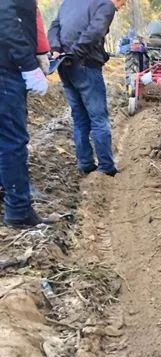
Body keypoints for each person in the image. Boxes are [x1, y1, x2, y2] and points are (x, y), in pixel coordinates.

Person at [48, 0, 124, 177]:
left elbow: (54, 27)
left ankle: (85, 163)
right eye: (124, 1)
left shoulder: (69, 2)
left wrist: (57, 49)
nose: (123, 5)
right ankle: (106, 166)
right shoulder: (105, 5)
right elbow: (95, 31)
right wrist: (76, 53)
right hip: (85, 64)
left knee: (79, 116)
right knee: (98, 118)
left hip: (63, 65)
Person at [0, 0, 51, 228]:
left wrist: (40, 51)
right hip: (6, 68)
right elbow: (5, 18)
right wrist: (27, 63)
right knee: (12, 141)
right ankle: (19, 211)